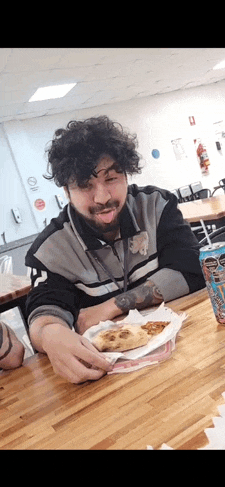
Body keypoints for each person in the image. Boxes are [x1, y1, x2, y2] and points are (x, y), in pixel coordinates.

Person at [25, 115, 205, 384]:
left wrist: (110, 307)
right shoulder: (50, 250)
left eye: (111, 178)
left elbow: (191, 270)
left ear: (126, 174)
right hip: (107, 382)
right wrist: (50, 335)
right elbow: (45, 311)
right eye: (85, 185)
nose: (103, 197)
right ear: (66, 191)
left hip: (186, 359)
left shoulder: (156, 205)